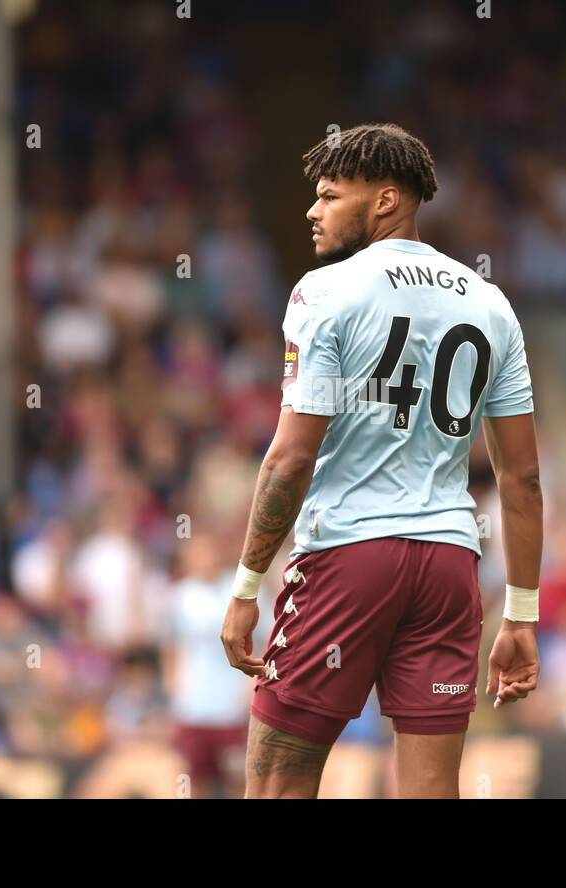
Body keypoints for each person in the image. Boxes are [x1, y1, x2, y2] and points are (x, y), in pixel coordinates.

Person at [219, 123, 543, 798]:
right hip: (451, 565)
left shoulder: (323, 292)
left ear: (387, 199)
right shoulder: (492, 306)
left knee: (279, 783)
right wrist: (521, 613)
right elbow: (523, 478)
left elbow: (289, 459)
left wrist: (248, 587)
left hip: (348, 555)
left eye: (332, 195)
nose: (313, 210)